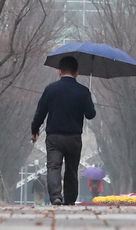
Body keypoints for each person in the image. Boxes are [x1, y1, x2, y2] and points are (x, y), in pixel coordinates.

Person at [30, 55, 96, 206]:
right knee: (72, 170)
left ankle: (56, 197)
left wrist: (34, 130)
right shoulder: (83, 91)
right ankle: (70, 199)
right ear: (77, 72)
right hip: (74, 137)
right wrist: (88, 99)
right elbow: (90, 115)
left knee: (53, 167)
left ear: (60, 71)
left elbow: (40, 112)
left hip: (54, 137)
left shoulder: (51, 89)